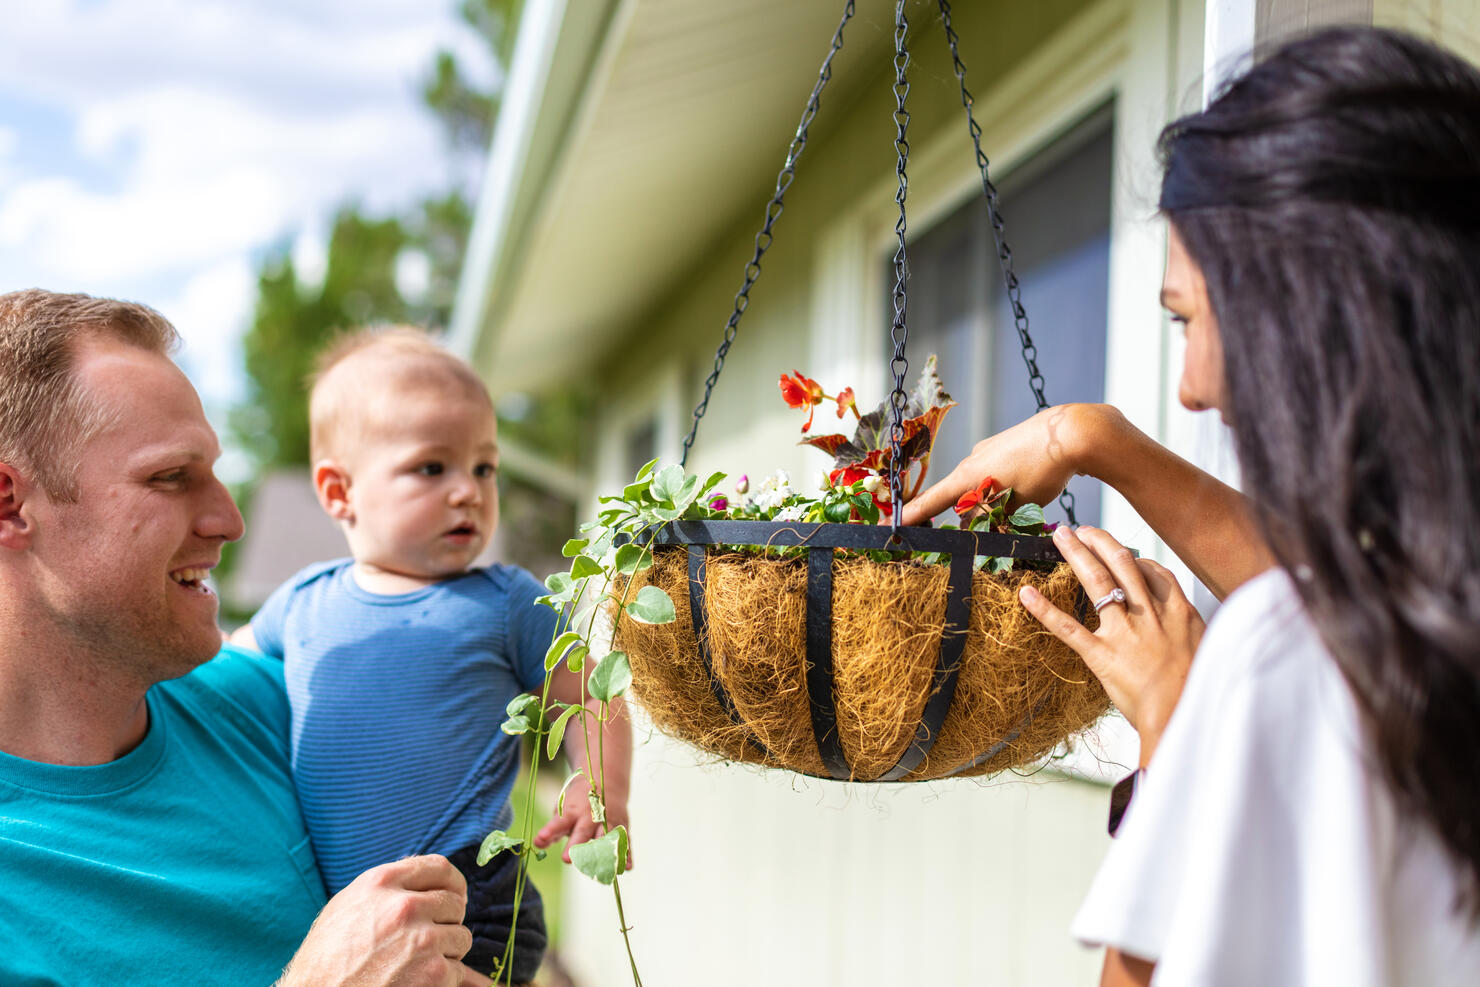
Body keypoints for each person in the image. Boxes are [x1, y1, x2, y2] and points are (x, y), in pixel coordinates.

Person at [904, 26, 1480, 986]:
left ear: (1307, 317)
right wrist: (1089, 441)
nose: (1196, 387)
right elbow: (1367, 612)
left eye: (1191, 320)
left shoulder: (1277, 660)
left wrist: (1176, 733)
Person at [0, 289, 486, 985]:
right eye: (171, 477)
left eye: (214, 472)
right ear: (10, 502)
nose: (229, 519)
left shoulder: (265, 704)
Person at [230, 327, 632, 984]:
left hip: (469, 894)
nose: (468, 490)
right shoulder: (300, 603)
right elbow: (213, 678)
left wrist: (600, 782)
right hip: (335, 906)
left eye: (484, 467)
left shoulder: (504, 602)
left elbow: (595, 693)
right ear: (339, 492)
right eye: (431, 467)